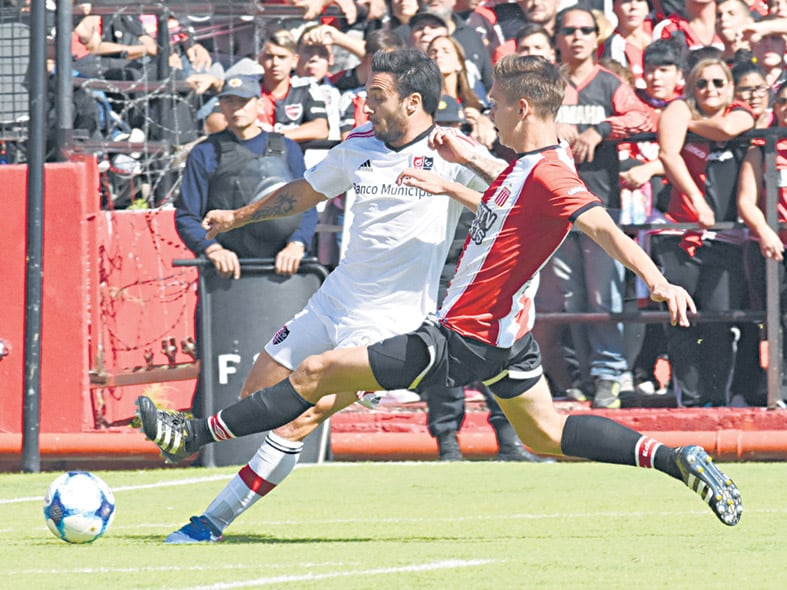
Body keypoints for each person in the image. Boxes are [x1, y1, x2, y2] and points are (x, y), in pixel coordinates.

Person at [138, 55, 743, 530]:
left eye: (498, 106)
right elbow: (508, 196)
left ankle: (193, 433)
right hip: (507, 339)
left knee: (317, 372)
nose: (490, 115)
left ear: (524, 107)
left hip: (463, 337)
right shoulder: (522, 164)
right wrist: (465, 169)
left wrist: (659, 282)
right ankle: (676, 458)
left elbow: (601, 226)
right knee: (546, 436)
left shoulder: (550, 172)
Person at [150, 49, 505, 543]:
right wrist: (236, 218)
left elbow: (518, 201)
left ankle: (209, 520)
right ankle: (231, 451)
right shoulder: (360, 142)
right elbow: (302, 192)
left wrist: (453, 179)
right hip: (333, 300)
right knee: (259, 401)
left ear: (413, 102)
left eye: (376, 96)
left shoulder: (453, 150)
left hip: (391, 323)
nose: (364, 104)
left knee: (304, 417)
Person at [175, 74, 318, 419]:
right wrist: (212, 251)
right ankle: (207, 440)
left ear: (259, 104)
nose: (235, 108)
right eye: (228, 101)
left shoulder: (287, 148)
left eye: (243, 101)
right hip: (226, 278)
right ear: (220, 105)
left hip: (284, 276)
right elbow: (186, 216)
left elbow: (307, 204)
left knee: (291, 364)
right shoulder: (205, 153)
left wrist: (297, 244)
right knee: (220, 363)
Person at [551, 4, 657, 407]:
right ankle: (582, 375)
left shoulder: (610, 82)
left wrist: (601, 128)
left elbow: (645, 119)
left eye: (584, 30)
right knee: (571, 299)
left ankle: (609, 376)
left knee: (604, 296)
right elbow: (514, 122)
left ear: (596, 37)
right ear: (558, 37)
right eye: (569, 30)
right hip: (554, 205)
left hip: (600, 203)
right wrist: (550, 126)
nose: (576, 36)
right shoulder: (546, 83)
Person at [652, 56, 755, 407]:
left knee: (720, 324)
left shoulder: (739, 113)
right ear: (690, 87)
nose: (709, 89)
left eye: (717, 82)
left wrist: (690, 125)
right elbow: (668, 153)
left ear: (730, 88)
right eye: (702, 83)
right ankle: (690, 403)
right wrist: (697, 201)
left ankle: (717, 401)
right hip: (679, 234)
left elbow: (727, 130)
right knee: (682, 323)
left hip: (725, 237)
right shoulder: (678, 107)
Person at [736, 79, 787, 406]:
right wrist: (765, 231)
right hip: (773, 248)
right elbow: (746, 200)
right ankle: (777, 392)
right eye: (782, 101)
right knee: (775, 320)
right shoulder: (762, 145)